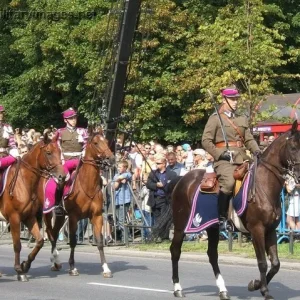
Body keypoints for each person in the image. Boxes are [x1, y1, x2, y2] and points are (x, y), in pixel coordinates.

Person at [202, 87, 260, 230]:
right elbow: (206, 141)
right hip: (224, 160)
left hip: (243, 157)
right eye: (233, 99)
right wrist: (220, 154)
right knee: (228, 182)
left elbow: (249, 139)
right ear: (224, 100)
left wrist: (257, 151)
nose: (236, 102)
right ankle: (221, 217)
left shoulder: (241, 118)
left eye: (236, 99)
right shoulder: (215, 118)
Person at [43, 108, 88, 215]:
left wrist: (84, 153)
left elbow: (86, 144)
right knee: (62, 178)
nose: (74, 120)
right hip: (65, 160)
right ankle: (58, 203)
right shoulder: (60, 132)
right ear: (65, 120)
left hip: (79, 159)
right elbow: (56, 147)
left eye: (75, 118)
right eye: (71, 118)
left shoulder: (82, 131)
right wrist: (61, 159)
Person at [146, 154, 178, 241]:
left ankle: (164, 236)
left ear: (164, 163)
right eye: (156, 163)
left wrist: (165, 186)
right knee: (157, 217)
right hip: (155, 198)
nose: (157, 165)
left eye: (159, 163)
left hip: (165, 199)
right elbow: (148, 184)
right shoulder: (153, 174)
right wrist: (156, 185)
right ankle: (158, 235)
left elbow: (174, 185)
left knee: (164, 218)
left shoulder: (172, 174)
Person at [113, 160, 132, 242]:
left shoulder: (128, 174)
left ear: (125, 168)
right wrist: (119, 180)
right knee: (118, 219)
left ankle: (126, 237)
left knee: (122, 219)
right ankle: (124, 235)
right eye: (118, 167)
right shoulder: (116, 175)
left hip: (124, 200)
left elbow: (121, 178)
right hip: (117, 200)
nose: (119, 168)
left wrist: (119, 179)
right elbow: (115, 187)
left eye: (120, 167)